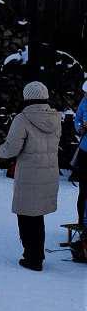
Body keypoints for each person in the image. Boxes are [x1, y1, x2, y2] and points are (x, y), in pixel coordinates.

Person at [0, 81, 61, 272]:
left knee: (26, 217)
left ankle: (32, 258)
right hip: (49, 173)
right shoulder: (56, 118)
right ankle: (38, 254)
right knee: (37, 216)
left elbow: (11, 149)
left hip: (29, 175)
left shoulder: (22, 119)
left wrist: (0, 151)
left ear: (27, 97)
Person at [71, 80, 87, 226]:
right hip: (84, 151)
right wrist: (80, 128)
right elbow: (77, 120)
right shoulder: (84, 102)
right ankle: (83, 223)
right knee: (84, 190)